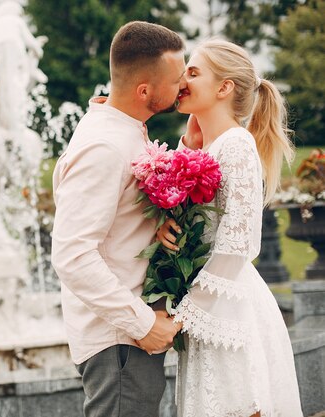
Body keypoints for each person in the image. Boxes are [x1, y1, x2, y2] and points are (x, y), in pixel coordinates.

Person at [157, 39, 303, 417]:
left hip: (228, 313)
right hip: (208, 311)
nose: (181, 80)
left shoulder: (236, 146)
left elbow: (238, 244)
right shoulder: (207, 147)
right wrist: (187, 146)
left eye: (193, 72)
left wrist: (184, 315)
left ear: (224, 88)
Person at [50, 21, 186, 417]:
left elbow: (115, 221)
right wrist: (144, 324)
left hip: (125, 342)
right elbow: (73, 255)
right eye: (177, 78)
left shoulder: (124, 130)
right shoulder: (105, 147)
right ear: (145, 90)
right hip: (119, 344)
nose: (182, 86)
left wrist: (153, 226)